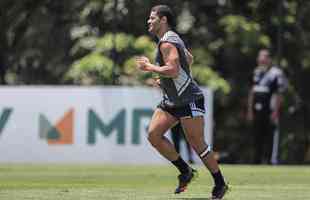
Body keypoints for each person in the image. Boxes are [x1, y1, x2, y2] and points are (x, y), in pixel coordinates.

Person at [135, 5, 228, 199]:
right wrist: (167, 79)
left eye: (152, 18)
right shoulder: (171, 38)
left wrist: (151, 67)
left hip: (189, 99)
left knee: (197, 144)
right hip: (172, 100)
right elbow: (189, 59)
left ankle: (220, 183)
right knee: (154, 135)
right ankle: (186, 171)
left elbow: (174, 69)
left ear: (163, 20)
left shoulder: (166, 43)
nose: (148, 21)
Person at [247, 49, 287, 164]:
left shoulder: (276, 74)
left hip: (269, 111)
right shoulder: (255, 72)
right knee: (256, 138)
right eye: (260, 60)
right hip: (256, 111)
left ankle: (269, 162)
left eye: (263, 60)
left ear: (269, 60)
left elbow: (279, 94)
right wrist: (250, 111)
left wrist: (275, 112)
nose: (261, 62)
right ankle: (256, 162)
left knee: (269, 139)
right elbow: (251, 93)